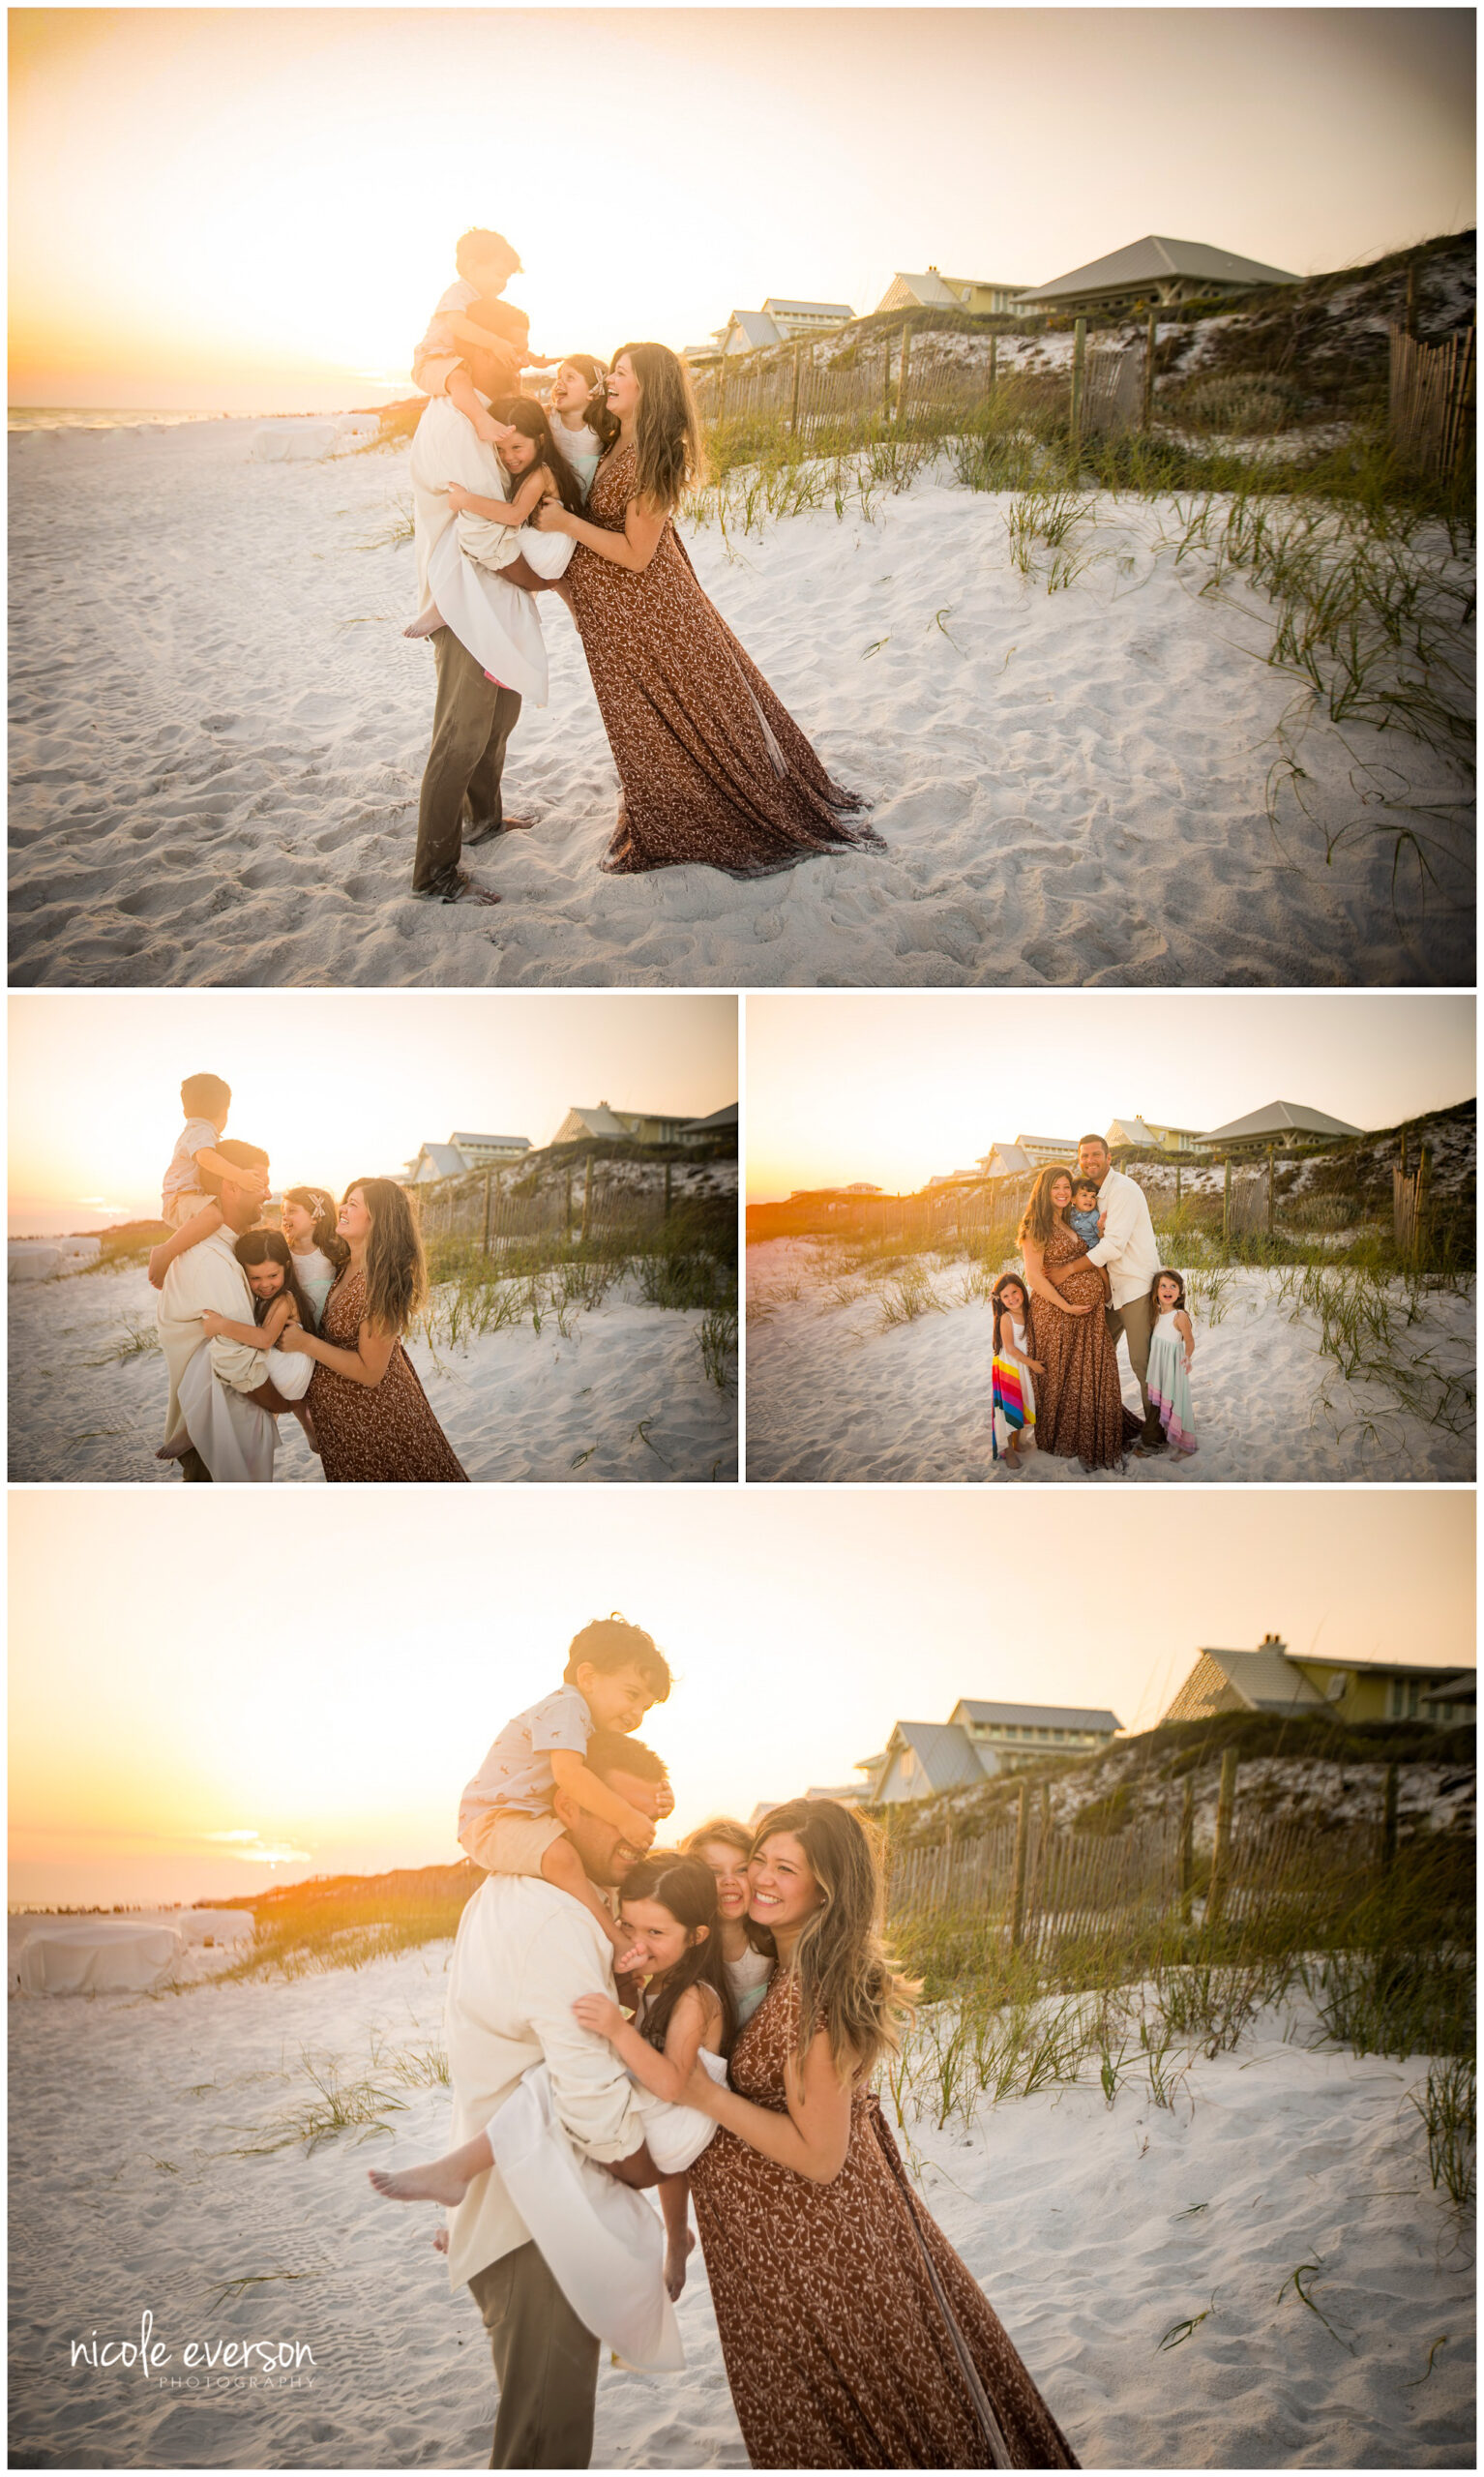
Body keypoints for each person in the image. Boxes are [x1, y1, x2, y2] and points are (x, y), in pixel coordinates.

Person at [684, 1801, 1081, 2469]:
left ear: (827, 1889)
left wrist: (701, 2095)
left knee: (875, 2419)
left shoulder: (822, 1987)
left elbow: (819, 2156)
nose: (761, 1879)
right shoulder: (780, 1969)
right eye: (759, 1862)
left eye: (786, 1868)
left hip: (828, 2247)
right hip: (786, 2250)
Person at [531, 343, 878, 877]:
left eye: (621, 374)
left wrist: (564, 526)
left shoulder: (654, 452)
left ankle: (711, 809)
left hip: (653, 612)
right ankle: (669, 802)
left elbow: (637, 553)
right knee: (646, 718)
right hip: (619, 616)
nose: (611, 382)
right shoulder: (614, 438)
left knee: (685, 713)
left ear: (649, 386)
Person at [431, 1732, 673, 2465]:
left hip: (517, 2201)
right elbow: (587, 2089)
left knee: (545, 2433)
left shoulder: (510, 1893)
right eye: (623, 1814)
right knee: (545, 2445)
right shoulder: (556, 1920)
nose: (639, 1836)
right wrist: (645, 2167)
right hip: (534, 2219)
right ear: (568, 1802)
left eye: (650, 1824)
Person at [457, 1613, 674, 1966]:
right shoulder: (567, 1706)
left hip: (526, 1817)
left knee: (592, 1861)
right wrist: (627, 1816)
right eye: (631, 1695)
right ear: (587, 1677)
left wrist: (658, 1800)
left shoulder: (587, 1725)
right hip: (492, 1820)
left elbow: (608, 1779)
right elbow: (570, 1776)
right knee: (563, 1857)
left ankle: (610, 1943)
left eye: (645, 1707)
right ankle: (614, 1937)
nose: (636, 1714)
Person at [571, 1850, 736, 2302]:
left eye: (655, 1932)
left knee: (552, 2107)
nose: (636, 1943)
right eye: (627, 1926)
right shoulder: (654, 1984)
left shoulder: (694, 1999)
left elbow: (672, 2087)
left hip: (680, 2124)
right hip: (669, 2140)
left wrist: (612, 2027)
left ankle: (493, 2213)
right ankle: (677, 2238)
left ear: (697, 1936)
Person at [275, 1179, 467, 1480]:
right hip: (344, 1424)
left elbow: (370, 1372)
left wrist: (305, 1343)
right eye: (345, 1201)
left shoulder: (382, 1281)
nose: (343, 1209)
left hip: (378, 1422)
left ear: (378, 1219)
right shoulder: (344, 1265)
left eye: (354, 1204)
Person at [413, 399, 583, 705]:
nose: (509, 458)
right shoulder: (537, 469)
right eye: (501, 451)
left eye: (517, 448)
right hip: (548, 564)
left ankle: (444, 606)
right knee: (495, 570)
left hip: (543, 556)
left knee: (473, 527)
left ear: (540, 440)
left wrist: (464, 500)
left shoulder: (541, 473)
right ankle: (503, 654)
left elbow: (515, 515)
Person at [154, 1139, 297, 1482]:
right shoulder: (212, 1259)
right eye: (260, 1183)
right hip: (217, 1431)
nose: (267, 1194)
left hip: (225, 1420)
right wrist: (283, 1404)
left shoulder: (231, 1248)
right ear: (231, 1186)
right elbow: (236, 1362)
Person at [1018, 1165, 1138, 1472]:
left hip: (1087, 1315)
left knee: (1091, 1375)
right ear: (1044, 1191)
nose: (1062, 1192)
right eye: (1056, 1187)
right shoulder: (1036, 1225)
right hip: (1056, 1315)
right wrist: (1067, 1306)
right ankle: (1067, 1440)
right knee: (1063, 1379)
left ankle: (1093, 1435)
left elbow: (1090, 1252)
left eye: (1066, 1187)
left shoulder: (1071, 1219)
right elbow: (1034, 1277)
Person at [411, 226, 555, 451]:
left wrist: (532, 358)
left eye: (507, 278)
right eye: (499, 274)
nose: (503, 283)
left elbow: (500, 339)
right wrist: (496, 344)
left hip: (456, 361)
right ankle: (481, 421)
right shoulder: (459, 292)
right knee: (459, 379)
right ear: (472, 266)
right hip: (432, 360)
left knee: (503, 382)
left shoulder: (482, 303)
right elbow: (456, 324)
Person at [190, 1232, 320, 1460]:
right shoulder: (265, 1299)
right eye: (255, 1278)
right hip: (288, 1386)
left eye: (272, 1275)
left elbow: (265, 1339)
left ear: (286, 1267)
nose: (265, 1285)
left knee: (222, 1356)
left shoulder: (284, 1299)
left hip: (288, 1381)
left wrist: (220, 1324)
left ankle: (191, 1434)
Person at [1074, 1135, 1164, 1455]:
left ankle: (1155, 1438)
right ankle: (1096, 1427)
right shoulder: (1090, 1195)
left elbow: (1113, 1245)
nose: (1090, 1160)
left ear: (1109, 1157)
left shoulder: (1123, 1190)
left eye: (1096, 1154)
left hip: (1136, 1286)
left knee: (1142, 1364)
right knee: (1094, 1353)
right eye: (1085, 1155)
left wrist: (1068, 1270)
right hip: (1112, 1291)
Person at [147, 1073, 267, 1291]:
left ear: (185, 1111)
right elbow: (206, 1158)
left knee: (231, 1219)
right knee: (213, 1216)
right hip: (180, 1198)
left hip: (188, 1196)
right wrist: (239, 1175)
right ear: (225, 1111)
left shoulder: (197, 1131)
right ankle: (165, 1251)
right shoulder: (200, 1131)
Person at [681, 1817, 775, 2029]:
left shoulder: (773, 1938)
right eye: (714, 1872)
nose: (729, 1881)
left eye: (741, 1869)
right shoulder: (687, 1945)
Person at [989, 1270, 1041, 1471]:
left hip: (1023, 1365)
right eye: (1005, 1296)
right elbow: (1010, 1348)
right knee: (1011, 1406)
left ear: (1022, 1290)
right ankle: (1008, 1449)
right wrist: (1033, 1364)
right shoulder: (1006, 1318)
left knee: (1021, 1404)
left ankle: (1017, 1443)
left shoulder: (1029, 1310)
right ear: (1000, 1300)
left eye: (1014, 1292)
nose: (1012, 1298)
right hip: (1010, 1367)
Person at [546, 356, 617, 502]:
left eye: (570, 377)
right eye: (559, 377)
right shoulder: (548, 416)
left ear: (593, 392)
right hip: (554, 489)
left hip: (588, 495)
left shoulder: (602, 426)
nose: (559, 382)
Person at [277, 1186, 346, 1330]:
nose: (284, 1216)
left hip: (329, 1330)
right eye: (283, 1212)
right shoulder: (283, 1254)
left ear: (315, 1217)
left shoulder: (333, 1253)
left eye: (292, 1211)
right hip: (298, 1329)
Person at [1145, 1268, 1198, 1454]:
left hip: (1173, 1366)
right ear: (1156, 1291)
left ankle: (1183, 1441)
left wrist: (1187, 1356)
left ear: (1180, 1292)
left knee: (1177, 1400)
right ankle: (1168, 1432)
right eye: (1163, 1286)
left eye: (1173, 1286)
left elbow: (1189, 1340)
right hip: (1160, 1364)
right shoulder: (1156, 1314)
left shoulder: (1179, 1316)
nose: (1168, 1290)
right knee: (1164, 1400)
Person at [1066, 1177, 1105, 1252]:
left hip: (1091, 1251)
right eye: (1084, 1195)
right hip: (1074, 1250)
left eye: (1093, 1196)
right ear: (1073, 1199)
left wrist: (1101, 1230)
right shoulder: (1070, 1212)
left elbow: (1101, 1237)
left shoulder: (1094, 1216)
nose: (1089, 1199)